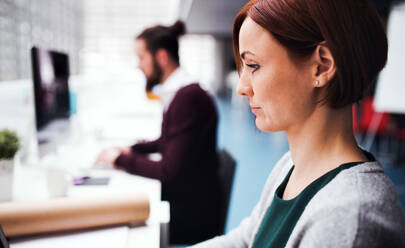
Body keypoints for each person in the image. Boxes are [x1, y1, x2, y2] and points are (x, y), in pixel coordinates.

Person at [192, 0, 405, 247]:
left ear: (321, 66)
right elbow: (247, 239)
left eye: (253, 65)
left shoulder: (348, 219)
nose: (242, 87)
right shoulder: (290, 165)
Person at [95, 21, 221, 244]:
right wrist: (131, 149)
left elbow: (168, 170)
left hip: (190, 215)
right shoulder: (184, 91)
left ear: (161, 57)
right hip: (190, 199)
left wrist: (120, 159)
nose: (139, 66)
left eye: (142, 58)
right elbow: (168, 140)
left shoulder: (188, 98)